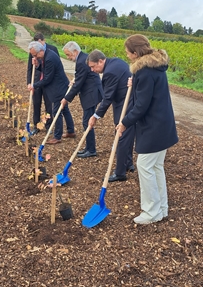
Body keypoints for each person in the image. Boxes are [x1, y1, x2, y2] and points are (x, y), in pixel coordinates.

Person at [116, 34, 178, 224]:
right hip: (163, 124)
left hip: (154, 127)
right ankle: (162, 208)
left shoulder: (144, 72)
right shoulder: (156, 67)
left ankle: (151, 212)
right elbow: (149, 92)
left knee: (144, 165)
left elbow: (141, 106)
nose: (127, 56)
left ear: (135, 53)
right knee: (156, 166)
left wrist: (124, 122)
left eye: (128, 53)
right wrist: (135, 85)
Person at [87, 49, 135, 182]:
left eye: (93, 66)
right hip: (127, 101)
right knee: (127, 136)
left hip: (125, 104)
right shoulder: (116, 62)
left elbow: (107, 98)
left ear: (101, 61)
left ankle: (120, 172)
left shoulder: (109, 72)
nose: (92, 70)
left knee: (122, 136)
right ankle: (128, 163)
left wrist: (95, 116)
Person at [61, 41, 104, 158]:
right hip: (91, 92)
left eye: (69, 55)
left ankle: (91, 150)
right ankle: (89, 148)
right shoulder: (83, 58)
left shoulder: (81, 61)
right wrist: (75, 80)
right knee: (86, 120)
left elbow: (79, 83)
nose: (68, 58)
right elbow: (80, 77)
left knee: (87, 121)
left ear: (75, 51)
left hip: (92, 94)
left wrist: (66, 99)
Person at [28, 41, 75, 144]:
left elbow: (47, 78)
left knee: (57, 111)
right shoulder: (46, 55)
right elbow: (45, 70)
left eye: (35, 55)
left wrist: (34, 85)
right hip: (60, 85)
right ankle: (71, 131)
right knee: (64, 109)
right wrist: (37, 65)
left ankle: (57, 137)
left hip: (59, 87)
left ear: (40, 51)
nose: (34, 57)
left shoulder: (49, 58)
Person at [27, 32, 59, 134]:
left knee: (48, 105)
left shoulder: (52, 49)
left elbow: (56, 67)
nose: (38, 46)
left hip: (48, 82)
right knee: (36, 104)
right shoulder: (32, 51)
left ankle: (48, 125)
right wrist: (29, 82)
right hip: (36, 80)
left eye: (39, 43)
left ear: (43, 41)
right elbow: (29, 68)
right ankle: (36, 126)